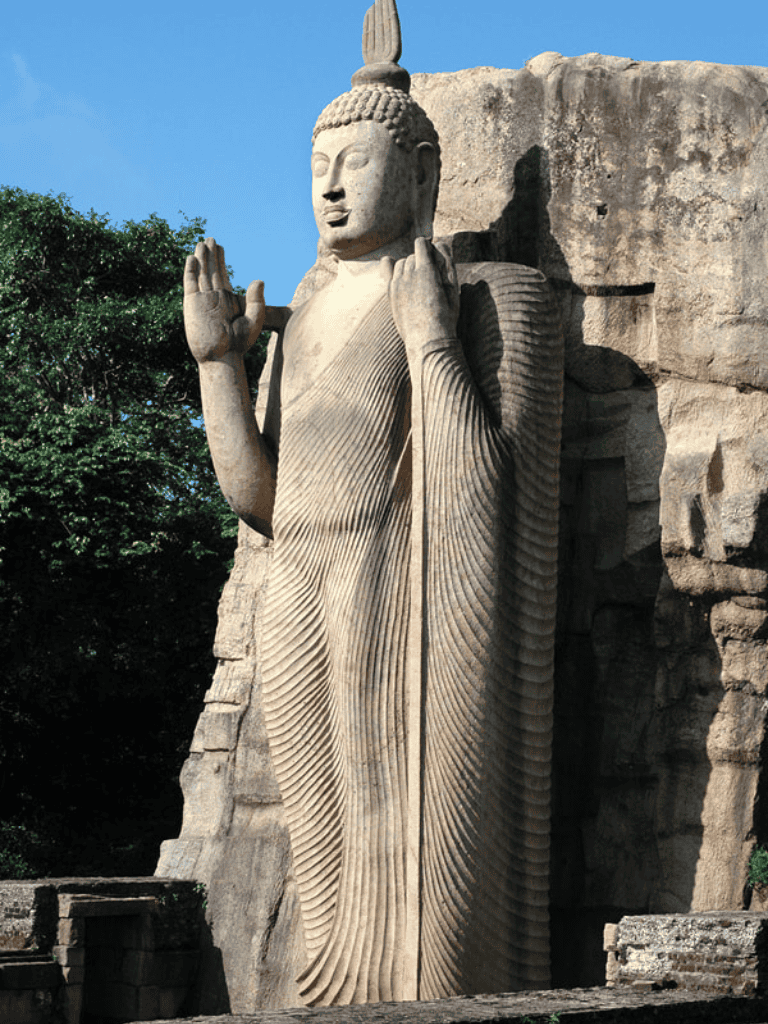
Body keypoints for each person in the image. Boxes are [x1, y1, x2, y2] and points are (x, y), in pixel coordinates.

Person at [183, 0, 562, 1005]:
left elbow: (495, 495)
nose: (333, 185)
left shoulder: (489, 297)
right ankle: (330, 998)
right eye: (319, 168)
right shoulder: (298, 322)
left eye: (355, 162)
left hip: (397, 595)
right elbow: (260, 498)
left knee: (413, 841)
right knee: (324, 852)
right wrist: (222, 366)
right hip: (297, 587)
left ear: (422, 175)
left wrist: (431, 335)